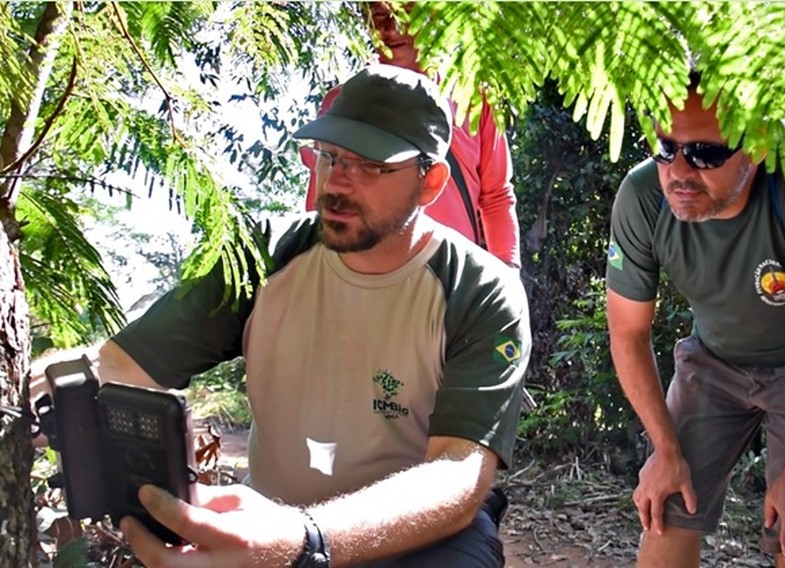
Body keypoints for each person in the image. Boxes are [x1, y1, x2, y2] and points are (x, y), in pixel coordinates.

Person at [96, 64, 530, 567]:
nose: (338, 182)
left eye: (371, 165)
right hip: (269, 518)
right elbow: (122, 366)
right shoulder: (263, 255)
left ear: (430, 181)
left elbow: (458, 473)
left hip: (416, 540)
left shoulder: (479, 291)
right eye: (329, 156)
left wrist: (307, 540)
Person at [605, 72, 785, 567]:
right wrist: (665, 450)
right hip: (713, 359)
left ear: (756, 145)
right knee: (666, 504)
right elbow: (627, 331)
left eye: (707, 153)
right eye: (666, 148)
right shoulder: (643, 196)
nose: (680, 171)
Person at [301, 1, 521, 269]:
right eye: (379, 15)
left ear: (434, 15)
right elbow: (322, 195)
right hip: (359, 279)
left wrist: (508, 273)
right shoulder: (341, 102)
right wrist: (313, 269)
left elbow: (496, 196)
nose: (391, 29)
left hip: (450, 280)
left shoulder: (475, 99)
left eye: (406, 14)